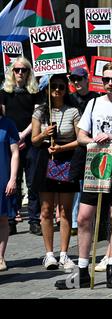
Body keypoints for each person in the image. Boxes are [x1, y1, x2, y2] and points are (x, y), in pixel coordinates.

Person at [55, 62, 112, 289]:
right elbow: (82, 136)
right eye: (106, 79)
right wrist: (95, 139)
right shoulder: (94, 104)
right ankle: (83, 268)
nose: (110, 84)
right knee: (84, 216)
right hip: (96, 162)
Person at [31, 74, 80, 272]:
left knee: (65, 210)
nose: (58, 90)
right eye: (54, 86)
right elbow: (34, 140)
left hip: (66, 157)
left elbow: (80, 139)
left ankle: (64, 254)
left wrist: (62, 148)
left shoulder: (74, 111)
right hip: (46, 158)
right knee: (46, 209)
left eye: (61, 86)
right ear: (47, 89)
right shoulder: (40, 113)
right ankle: (49, 254)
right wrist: (44, 134)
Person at [0, 57, 42, 236]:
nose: (20, 73)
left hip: (29, 139)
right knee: (12, 180)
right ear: (12, 71)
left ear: (28, 72)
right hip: (10, 141)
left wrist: (22, 135)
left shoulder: (35, 92)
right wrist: (13, 138)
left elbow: (37, 115)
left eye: (23, 70)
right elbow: (2, 115)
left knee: (32, 182)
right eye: (16, 69)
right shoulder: (4, 92)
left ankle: (34, 220)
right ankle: (11, 219)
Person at [68, 67, 100, 236]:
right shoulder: (70, 98)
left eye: (79, 79)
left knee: (91, 185)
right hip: (74, 146)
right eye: (73, 79)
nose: (76, 82)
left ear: (87, 79)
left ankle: (91, 221)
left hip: (92, 144)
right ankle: (74, 221)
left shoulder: (96, 98)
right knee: (75, 186)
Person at [0, 108, 20, 271]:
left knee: (3, 219)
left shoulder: (8, 124)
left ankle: (0, 257)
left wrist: (13, 179)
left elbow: (15, 153)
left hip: (3, 177)